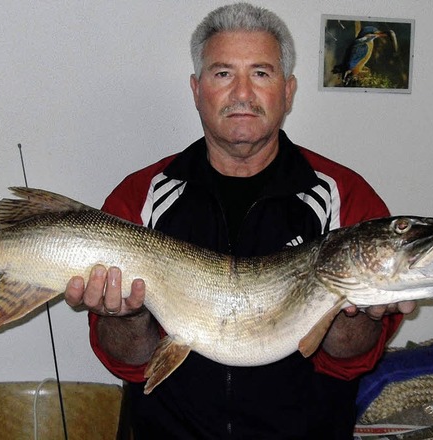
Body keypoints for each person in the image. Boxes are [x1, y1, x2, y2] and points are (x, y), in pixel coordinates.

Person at [65, 3, 415, 439]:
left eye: (262, 73)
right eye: (223, 73)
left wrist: (359, 312)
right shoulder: (140, 197)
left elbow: (346, 359)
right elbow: (132, 360)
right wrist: (122, 315)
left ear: (288, 91)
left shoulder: (346, 197)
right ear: (197, 90)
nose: (243, 93)